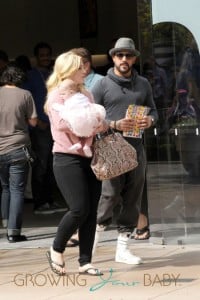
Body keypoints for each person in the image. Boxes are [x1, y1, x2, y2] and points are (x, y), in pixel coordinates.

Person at [91, 37, 158, 264]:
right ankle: (92, 245)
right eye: (119, 55)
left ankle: (123, 249)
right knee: (109, 195)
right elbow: (92, 117)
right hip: (111, 146)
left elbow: (155, 112)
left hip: (136, 147)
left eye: (128, 55)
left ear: (134, 58)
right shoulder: (101, 85)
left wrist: (149, 121)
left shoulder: (143, 84)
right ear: (113, 58)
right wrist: (114, 124)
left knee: (133, 198)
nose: (124, 59)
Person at [44, 51, 108, 276]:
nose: (85, 70)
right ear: (69, 69)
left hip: (90, 156)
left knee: (91, 213)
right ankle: (56, 248)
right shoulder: (55, 96)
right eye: (81, 67)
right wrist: (89, 123)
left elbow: (97, 120)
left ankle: (85, 262)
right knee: (79, 208)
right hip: (66, 158)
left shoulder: (87, 93)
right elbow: (63, 124)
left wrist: (97, 122)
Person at [23, 42, 66, 214]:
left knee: (52, 164)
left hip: (56, 124)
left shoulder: (54, 74)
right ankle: (39, 202)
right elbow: (25, 101)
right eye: (42, 55)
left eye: (48, 54)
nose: (46, 58)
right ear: (36, 57)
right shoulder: (31, 76)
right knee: (40, 164)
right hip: (41, 126)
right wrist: (36, 121)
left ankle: (49, 199)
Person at [0, 65, 37, 242]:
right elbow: (33, 122)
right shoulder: (25, 95)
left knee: (5, 188)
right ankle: (13, 233)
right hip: (18, 148)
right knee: (16, 190)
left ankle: (6, 223)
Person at [53, 78, 106, 157]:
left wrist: (57, 107)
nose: (61, 96)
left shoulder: (70, 100)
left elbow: (66, 111)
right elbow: (89, 105)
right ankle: (87, 145)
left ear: (71, 92)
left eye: (63, 94)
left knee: (71, 125)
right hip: (88, 120)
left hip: (78, 122)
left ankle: (77, 143)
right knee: (90, 134)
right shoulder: (83, 95)